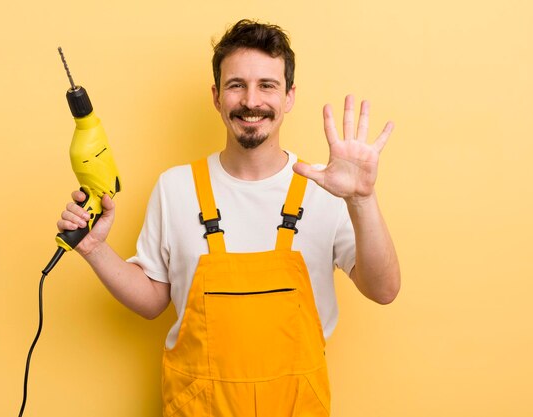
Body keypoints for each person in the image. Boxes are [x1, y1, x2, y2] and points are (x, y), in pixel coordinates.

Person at [58, 19, 400, 417]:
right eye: (236, 85)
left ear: (289, 96)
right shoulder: (176, 188)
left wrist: (362, 199)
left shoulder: (327, 189)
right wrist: (95, 249)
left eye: (267, 85)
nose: (251, 100)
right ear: (217, 96)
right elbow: (153, 300)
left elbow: (384, 290)